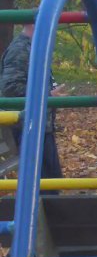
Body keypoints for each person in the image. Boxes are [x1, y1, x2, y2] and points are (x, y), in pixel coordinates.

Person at [0, 22, 65, 182]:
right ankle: (41, 206)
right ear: (35, 24)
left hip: (40, 123)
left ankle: (47, 205)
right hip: (29, 125)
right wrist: (47, 94)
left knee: (51, 176)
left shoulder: (34, 47)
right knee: (43, 178)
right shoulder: (21, 49)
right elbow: (10, 88)